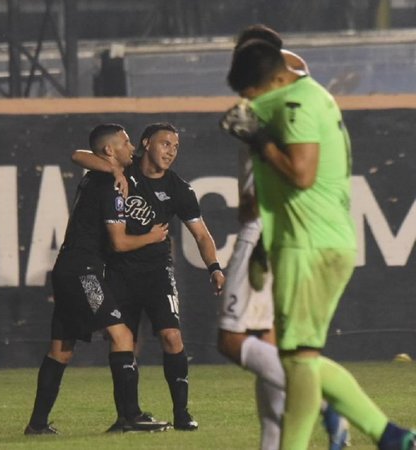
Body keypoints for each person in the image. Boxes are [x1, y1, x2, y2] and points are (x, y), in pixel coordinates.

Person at [221, 37, 415, 450]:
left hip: (308, 244)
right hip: (307, 239)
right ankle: (389, 436)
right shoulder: (307, 97)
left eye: (251, 94)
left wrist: (258, 139)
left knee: (300, 364)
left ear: (274, 77)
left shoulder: (297, 103)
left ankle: (378, 432)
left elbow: (302, 173)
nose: (249, 104)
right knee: (298, 360)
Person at [217, 25, 349, 450]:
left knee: (233, 340)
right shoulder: (275, 89)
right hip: (267, 220)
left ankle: (328, 402)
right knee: (268, 342)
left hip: (267, 225)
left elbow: (294, 164)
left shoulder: (285, 83)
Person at [72, 122, 226, 431]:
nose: (171, 151)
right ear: (145, 143)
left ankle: (182, 412)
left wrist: (214, 266)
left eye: (175, 146)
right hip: (118, 272)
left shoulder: (179, 189)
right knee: (123, 342)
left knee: (171, 336)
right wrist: (114, 171)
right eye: (165, 143)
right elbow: (77, 155)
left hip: (157, 273)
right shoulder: (124, 171)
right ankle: (127, 415)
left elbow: (202, 235)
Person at [24, 123, 170, 435]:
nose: (132, 148)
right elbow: (119, 243)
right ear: (109, 150)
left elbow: (79, 155)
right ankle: (129, 417)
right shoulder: (108, 182)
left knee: (61, 349)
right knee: (122, 336)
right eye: (126, 142)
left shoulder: (99, 176)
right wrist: (153, 237)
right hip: (82, 272)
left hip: (67, 268)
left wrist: (114, 171)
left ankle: (37, 424)